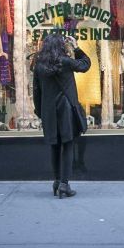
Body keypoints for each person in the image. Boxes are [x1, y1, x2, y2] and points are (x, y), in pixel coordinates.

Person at [33, 34, 91, 198]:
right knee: (68, 144)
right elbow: (85, 65)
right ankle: (64, 184)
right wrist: (77, 47)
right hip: (65, 108)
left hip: (48, 110)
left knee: (54, 146)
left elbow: (36, 91)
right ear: (60, 46)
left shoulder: (39, 65)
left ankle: (57, 181)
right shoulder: (64, 62)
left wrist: (39, 111)